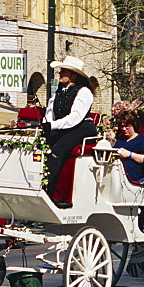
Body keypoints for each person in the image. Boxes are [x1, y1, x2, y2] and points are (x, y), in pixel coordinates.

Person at [43, 56, 98, 206]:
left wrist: (53, 126)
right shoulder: (58, 91)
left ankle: (49, 191)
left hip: (82, 128)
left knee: (58, 149)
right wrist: (46, 125)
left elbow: (76, 117)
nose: (60, 74)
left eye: (63, 71)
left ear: (73, 76)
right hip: (64, 126)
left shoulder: (84, 92)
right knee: (41, 145)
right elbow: (50, 111)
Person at [113, 111, 144, 183]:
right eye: (122, 126)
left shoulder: (141, 139)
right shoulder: (119, 140)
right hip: (116, 176)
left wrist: (129, 154)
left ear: (133, 125)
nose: (124, 129)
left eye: (127, 126)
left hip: (133, 178)